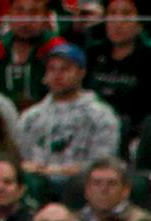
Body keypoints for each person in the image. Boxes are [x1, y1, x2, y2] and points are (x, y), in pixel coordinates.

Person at [18, 43, 121, 183]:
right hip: (36, 184)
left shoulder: (101, 116)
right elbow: (20, 159)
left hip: (83, 185)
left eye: (65, 69)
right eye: (52, 69)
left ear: (81, 73)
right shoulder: (31, 117)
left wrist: (60, 171)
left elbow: (103, 163)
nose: (57, 75)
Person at [85, 0, 151, 143]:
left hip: (135, 138)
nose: (118, 22)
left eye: (126, 14)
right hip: (90, 135)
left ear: (139, 23)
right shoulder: (93, 54)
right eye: (112, 14)